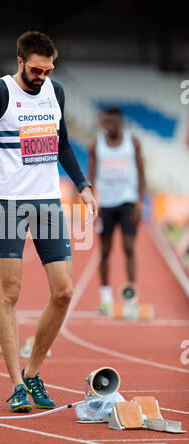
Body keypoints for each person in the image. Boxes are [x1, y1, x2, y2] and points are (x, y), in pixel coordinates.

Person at [0, 31, 98, 412]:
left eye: (49, 68)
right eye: (36, 69)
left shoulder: (56, 91)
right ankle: (16, 383)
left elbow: (62, 143)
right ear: (20, 62)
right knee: (11, 293)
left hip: (48, 202)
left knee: (64, 291)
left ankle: (34, 372)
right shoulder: (0, 93)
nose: (43, 75)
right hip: (10, 205)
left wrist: (82, 184)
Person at [88, 106, 146, 314]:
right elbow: (91, 175)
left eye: (115, 122)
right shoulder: (97, 144)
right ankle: (106, 300)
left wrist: (140, 203)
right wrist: (93, 203)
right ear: (104, 123)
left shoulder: (133, 142)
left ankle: (131, 298)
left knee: (129, 248)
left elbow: (141, 173)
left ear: (121, 122)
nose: (111, 125)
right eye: (107, 122)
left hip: (128, 201)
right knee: (104, 251)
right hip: (105, 204)